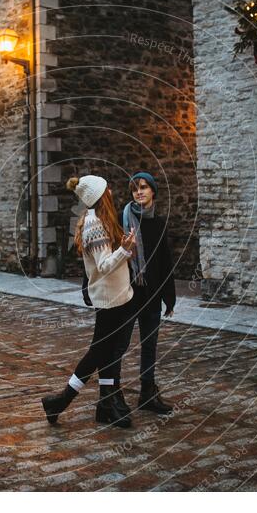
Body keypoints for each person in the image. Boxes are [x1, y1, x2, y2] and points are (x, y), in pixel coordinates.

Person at [41, 175, 137, 428]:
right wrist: (124, 249)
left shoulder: (102, 220)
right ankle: (60, 401)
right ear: (100, 195)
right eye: (107, 189)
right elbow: (104, 266)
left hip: (118, 296)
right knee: (98, 352)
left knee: (106, 353)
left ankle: (105, 404)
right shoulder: (94, 225)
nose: (111, 192)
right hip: (108, 299)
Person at [83, 171, 175, 414]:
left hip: (152, 294)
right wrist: (86, 284)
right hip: (128, 294)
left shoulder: (158, 222)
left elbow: (165, 261)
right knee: (118, 347)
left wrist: (169, 296)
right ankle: (113, 395)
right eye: (135, 188)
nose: (140, 192)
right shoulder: (119, 220)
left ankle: (147, 393)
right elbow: (99, 257)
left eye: (144, 187)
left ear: (153, 191)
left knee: (150, 344)